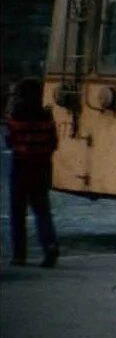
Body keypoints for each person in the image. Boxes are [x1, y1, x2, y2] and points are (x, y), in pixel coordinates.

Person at [4, 77, 60, 267]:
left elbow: (10, 142)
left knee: (17, 212)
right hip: (41, 166)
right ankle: (50, 245)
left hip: (20, 165)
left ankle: (19, 254)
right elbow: (54, 143)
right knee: (42, 210)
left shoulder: (16, 116)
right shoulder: (47, 116)